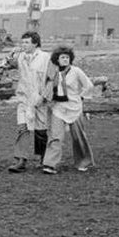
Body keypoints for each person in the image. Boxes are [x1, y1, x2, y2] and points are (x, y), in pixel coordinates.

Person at [0, 31, 53, 173]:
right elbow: (4, 65)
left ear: (35, 43)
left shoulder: (46, 57)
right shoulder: (20, 57)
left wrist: (44, 96)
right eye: (22, 42)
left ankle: (42, 157)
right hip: (23, 98)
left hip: (40, 98)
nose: (23, 45)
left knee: (41, 130)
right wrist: (10, 53)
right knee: (23, 128)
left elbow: (52, 78)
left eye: (27, 42)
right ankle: (20, 160)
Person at [41, 46, 95, 174]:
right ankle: (50, 164)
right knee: (55, 136)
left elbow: (88, 85)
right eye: (62, 57)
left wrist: (81, 96)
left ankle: (83, 162)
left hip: (74, 108)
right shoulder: (53, 73)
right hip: (58, 108)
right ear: (57, 59)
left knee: (78, 137)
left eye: (67, 57)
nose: (65, 60)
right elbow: (47, 87)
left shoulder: (76, 71)